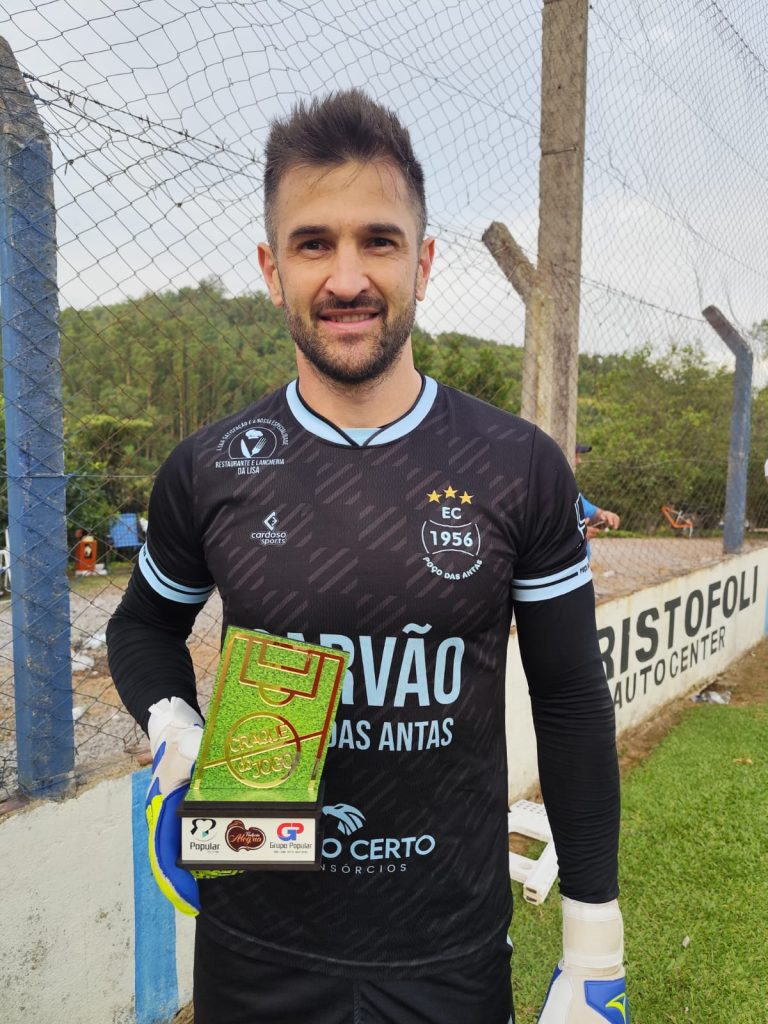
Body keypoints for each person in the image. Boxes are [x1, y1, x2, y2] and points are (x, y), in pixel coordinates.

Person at [107, 90, 627, 1024]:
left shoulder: (516, 466)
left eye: (378, 241)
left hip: (448, 954)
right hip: (253, 944)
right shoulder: (210, 467)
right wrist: (174, 724)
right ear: (272, 270)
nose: (347, 277)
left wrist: (595, 951)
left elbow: (570, 699)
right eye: (313, 244)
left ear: (421, 262)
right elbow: (143, 626)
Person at [575, 443, 621, 540]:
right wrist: (576, 535)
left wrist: (605, 516)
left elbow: (593, 514)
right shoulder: (549, 490)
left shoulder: (573, 490)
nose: (579, 461)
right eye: (575, 456)